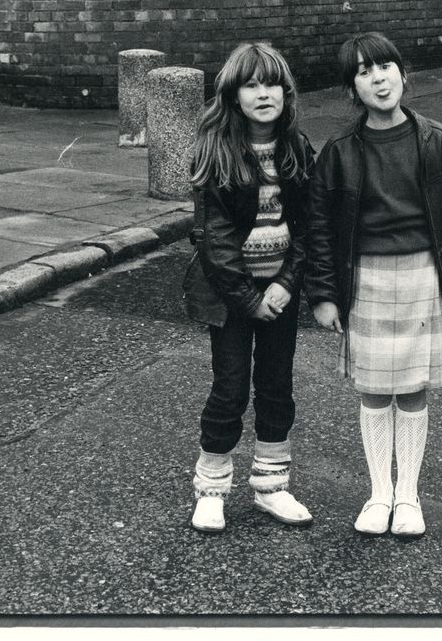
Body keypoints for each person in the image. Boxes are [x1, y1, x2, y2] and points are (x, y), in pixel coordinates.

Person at [305, 31, 442, 539]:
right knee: (373, 392)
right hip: (365, 279)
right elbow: (319, 229)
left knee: (412, 392)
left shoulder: (439, 141)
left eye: (385, 67)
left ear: (403, 74)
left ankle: (408, 496)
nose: (378, 78)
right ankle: (378, 493)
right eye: (363, 72)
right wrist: (323, 293)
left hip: (424, 276)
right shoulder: (338, 151)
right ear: (352, 88)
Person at [183, 41, 316, 534]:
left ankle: (272, 486)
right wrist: (249, 300)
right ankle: (211, 489)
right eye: (251, 84)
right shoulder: (215, 151)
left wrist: (285, 283)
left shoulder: (297, 148)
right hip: (231, 298)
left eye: (272, 84)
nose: (264, 93)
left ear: (287, 92)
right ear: (233, 95)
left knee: (277, 387)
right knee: (230, 387)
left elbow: (307, 225)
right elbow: (213, 239)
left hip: (279, 294)